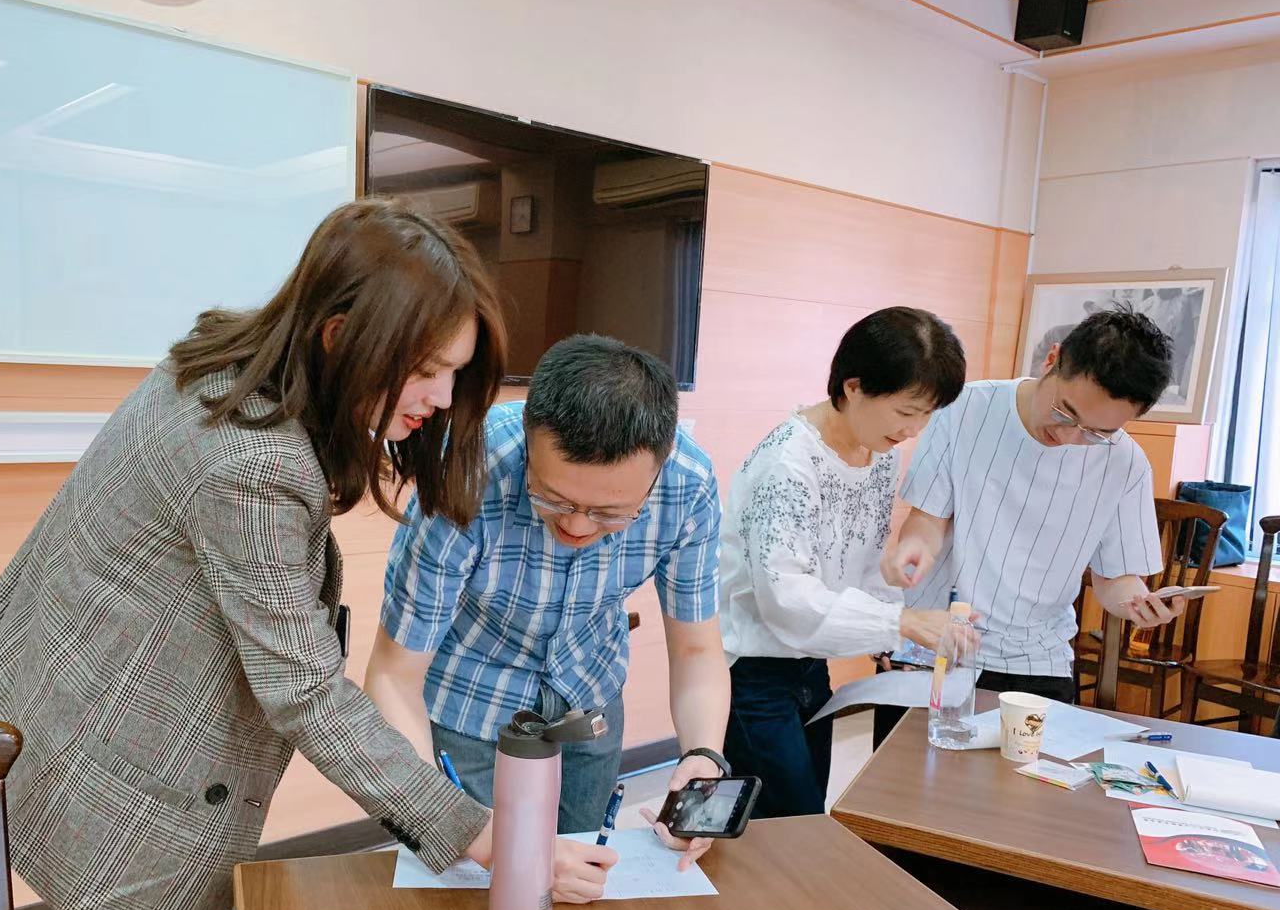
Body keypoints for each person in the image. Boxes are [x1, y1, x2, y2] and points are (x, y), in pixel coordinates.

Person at [0, 200, 616, 910]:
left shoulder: (221, 369)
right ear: (340, 337)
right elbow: (304, 691)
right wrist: (489, 838)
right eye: (424, 369)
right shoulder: (253, 460)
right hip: (126, 778)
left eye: (454, 372)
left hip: (95, 716)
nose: (443, 398)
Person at [366, 334, 731, 866]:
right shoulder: (467, 469)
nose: (578, 527)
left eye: (610, 514)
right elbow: (393, 675)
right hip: (468, 698)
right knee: (468, 883)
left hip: (589, 691)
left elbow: (697, 650)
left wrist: (703, 756)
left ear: (657, 470)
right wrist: (453, 826)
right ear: (530, 441)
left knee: (581, 866)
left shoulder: (688, 487)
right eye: (552, 499)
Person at [719, 307, 968, 818]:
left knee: (805, 817)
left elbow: (863, 561)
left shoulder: (877, 453)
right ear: (853, 387)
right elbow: (786, 599)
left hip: (812, 663)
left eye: (927, 414)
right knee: (787, 824)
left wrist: (889, 633)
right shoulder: (787, 465)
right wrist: (901, 622)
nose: (914, 429)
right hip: (754, 672)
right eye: (906, 411)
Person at [882, 308, 1187, 705]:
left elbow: (1116, 579)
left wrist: (1138, 605)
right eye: (1065, 412)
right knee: (905, 749)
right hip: (935, 642)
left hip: (1036, 662)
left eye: (1097, 433)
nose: (1069, 436)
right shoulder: (964, 408)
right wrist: (913, 550)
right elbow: (926, 521)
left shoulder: (1125, 463)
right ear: (1051, 360)